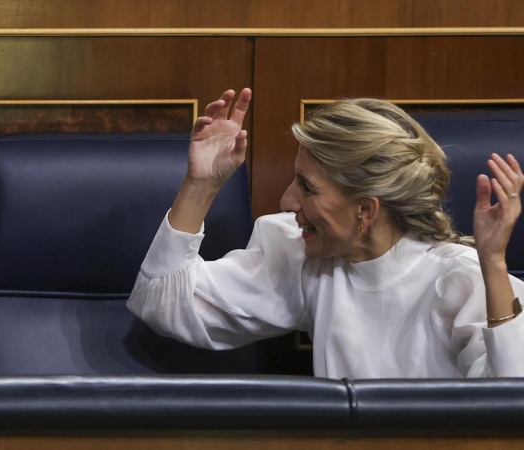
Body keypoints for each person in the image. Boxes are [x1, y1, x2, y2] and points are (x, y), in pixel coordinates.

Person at [127, 88, 524, 378]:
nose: (286, 201)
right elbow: (161, 304)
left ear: (365, 210)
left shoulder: (463, 279)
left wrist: (492, 264)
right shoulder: (303, 254)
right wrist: (201, 185)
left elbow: (508, 410)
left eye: (307, 187)